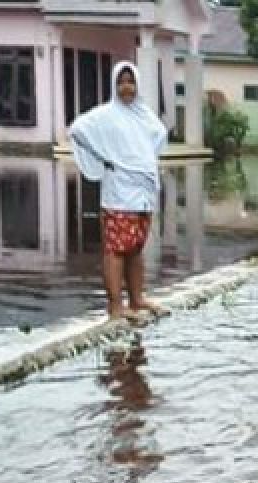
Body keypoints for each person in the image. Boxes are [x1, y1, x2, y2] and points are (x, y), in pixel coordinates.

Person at [69, 61, 168, 320]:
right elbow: (78, 130)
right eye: (122, 82)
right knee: (116, 249)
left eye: (131, 82)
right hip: (118, 194)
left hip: (142, 195)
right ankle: (115, 306)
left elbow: (159, 135)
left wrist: (142, 162)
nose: (127, 87)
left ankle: (136, 299)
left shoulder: (144, 115)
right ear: (115, 85)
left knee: (135, 248)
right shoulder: (105, 116)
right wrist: (106, 158)